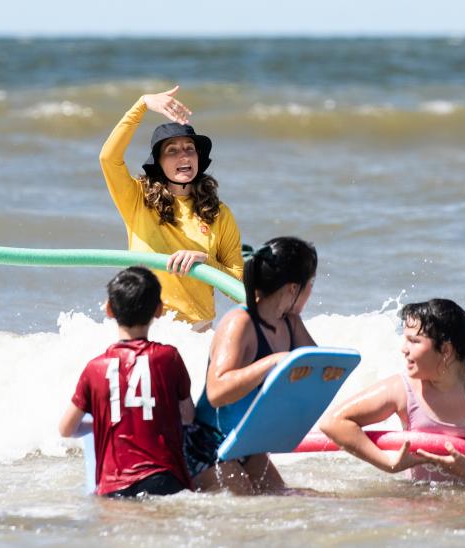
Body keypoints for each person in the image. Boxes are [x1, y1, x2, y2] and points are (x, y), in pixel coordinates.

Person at [319, 299, 465, 483]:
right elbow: (334, 423)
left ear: (446, 350)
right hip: (424, 508)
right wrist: (387, 462)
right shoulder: (402, 390)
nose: (403, 349)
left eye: (414, 341)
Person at [99, 85, 244, 330]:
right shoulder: (137, 199)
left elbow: (239, 287)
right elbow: (108, 158)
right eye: (172, 151)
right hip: (145, 328)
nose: (184, 157)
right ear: (158, 162)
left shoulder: (219, 214)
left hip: (198, 333)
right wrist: (142, 104)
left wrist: (206, 262)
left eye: (190, 149)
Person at [185, 237, 318, 494]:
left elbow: (313, 368)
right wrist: (272, 362)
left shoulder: (290, 324)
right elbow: (217, 391)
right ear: (293, 289)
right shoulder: (240, 323)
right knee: (248, 504)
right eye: (310, 284)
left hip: (246, 443)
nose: (311, 292)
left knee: (290, 499)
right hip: (206, 443)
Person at [59, 266, 195, 497]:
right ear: (159, 309)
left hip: (114, 486)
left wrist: (104, 423)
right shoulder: (168, 357)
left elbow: (66, 429)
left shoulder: (95, 368)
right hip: (165, 481)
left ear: (109, 309)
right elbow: (188, 417)